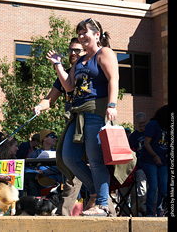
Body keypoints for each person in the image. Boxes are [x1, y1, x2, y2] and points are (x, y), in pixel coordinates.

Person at [46, 18, 119, 216]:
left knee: (96, 160)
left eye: (84, 32)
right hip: (77, 113)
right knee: (69, 157)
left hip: (96, 110)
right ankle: (97, 192)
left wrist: (112, 105)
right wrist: (58, 65)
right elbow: (68, 86)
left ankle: (102, 204)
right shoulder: (79, 60)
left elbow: (114, 79)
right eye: (79, 33)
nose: (81, 36)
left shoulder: (104, 53)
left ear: (97, 35)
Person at [33, 38, 85, 216]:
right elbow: (50, 99)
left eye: (77, 50)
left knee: (85, 168)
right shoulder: (65, 73)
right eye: (71, 50)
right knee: (71, 168)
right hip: (72, 126)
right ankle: (66, 215)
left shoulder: (90, 71)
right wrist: (40, 106)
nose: (73, 53)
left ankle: (104, 208)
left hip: (87, 125)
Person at [141, 105, 168, 216]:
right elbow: (146, 143)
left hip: (163, 160)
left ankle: (159, 209)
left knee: (164, 186)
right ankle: (149, 212)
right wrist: (155, 156)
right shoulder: (153, 124)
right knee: (153, 185)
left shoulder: (167, 126)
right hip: (150, 160)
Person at [129, 112, 148, 215]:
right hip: (140, 166)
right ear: (136, 123)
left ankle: (152, 212)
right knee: (142, 191)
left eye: (143, 123)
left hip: (151, 165)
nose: (141, 125)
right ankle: (142, 212)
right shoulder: (133, 136)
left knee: (154, 190)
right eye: (139, 123)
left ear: (146, 122)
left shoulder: (150, 133)